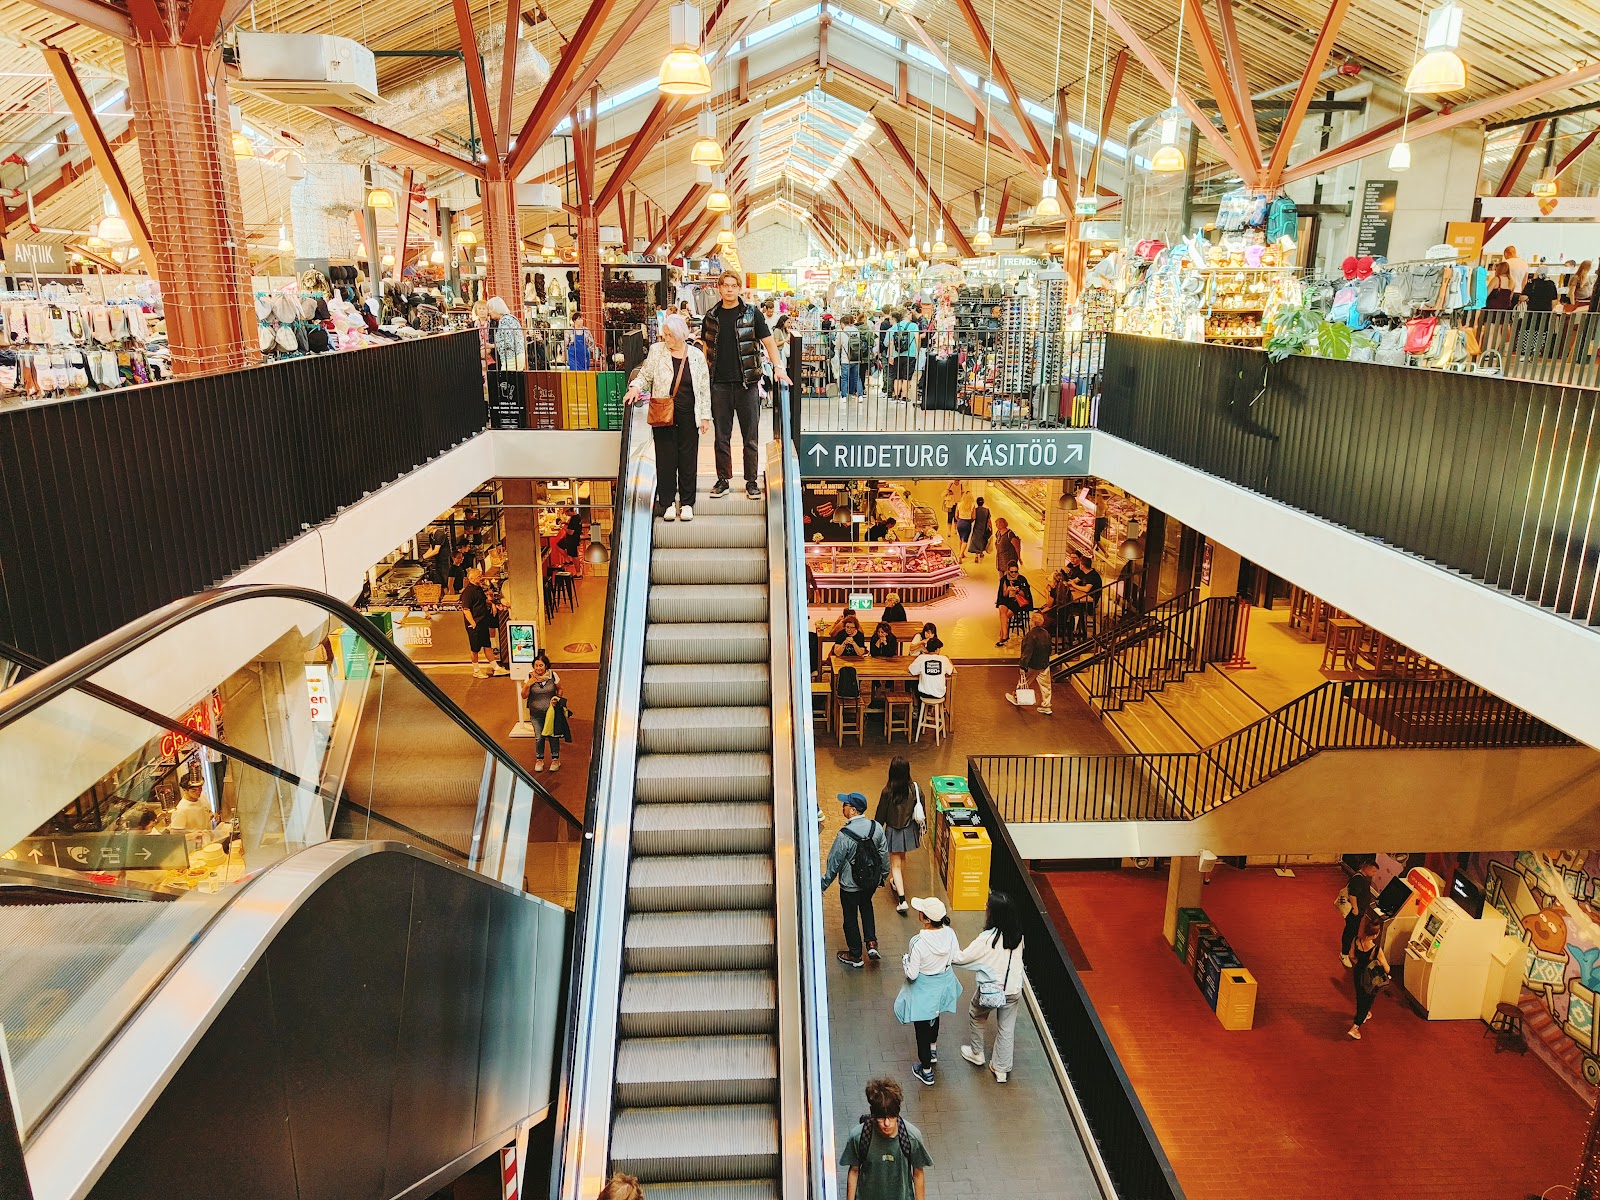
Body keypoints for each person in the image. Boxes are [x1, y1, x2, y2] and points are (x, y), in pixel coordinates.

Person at [702, 270, 790, 500]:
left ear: (739, 288)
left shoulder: (753, 314)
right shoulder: (711, 316)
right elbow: (706, 348)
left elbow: (769, 343)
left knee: (750, 436)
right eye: (726, 285)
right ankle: (723, 479)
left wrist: (779, 368)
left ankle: (751, 481)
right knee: (721, 436)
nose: (730, 289)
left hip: (747, 384)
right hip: (719, 384)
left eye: (734, 285)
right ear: (719, 288)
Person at [625, 313, 711, 521]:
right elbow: (645, 375)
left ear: (681, 335)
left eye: (670, 335)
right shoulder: (657, 351)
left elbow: (703, 388)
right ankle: (668, 503)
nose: (666, 338)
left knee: (688, 460)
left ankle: (687, 503)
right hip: (663, 413)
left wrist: (705, 416)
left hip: (689, 414)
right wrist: (635, 387)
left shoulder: (696, 356)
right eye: (665, 334)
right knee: (665, 459)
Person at [956, 890, 1027, 1083]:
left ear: (993, 914)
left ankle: (977, 1053)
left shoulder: (987, 938)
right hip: (1013, 989)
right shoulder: (1018, 936)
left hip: (991, 991)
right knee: (1006, 1028)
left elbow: (962, 958)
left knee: (976, 1014)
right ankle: (1001, 1069)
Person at [897, 896, 962, 1085]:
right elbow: (955, 957)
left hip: (923, 990)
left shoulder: (917, 942)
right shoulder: (950, 933)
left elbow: (912, 975)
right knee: (935, 1016)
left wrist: (905, 961)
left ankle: (926, 1071)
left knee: (921, 1030)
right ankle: (933, 1050)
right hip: (942, 986)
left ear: (926, 919)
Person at [821, 792, 890, 967]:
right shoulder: (876, 827)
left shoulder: (844, 835)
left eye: (845, 805)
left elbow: (834, 862)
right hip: (870, 882)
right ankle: (871, 943)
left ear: (853, 810)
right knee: (866, 907)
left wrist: (823, 884)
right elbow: (883, 854)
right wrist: (882, 876)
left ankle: (855, 955)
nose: (842, 807)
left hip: (850, 886)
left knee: (850, 918)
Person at [839, 1079, 932, 1200]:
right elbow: (854, 1171)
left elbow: (918, 1173)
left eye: (892, 1117)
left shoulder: (912, 1137)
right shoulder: (859, 1136)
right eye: (881, 1118)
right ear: (873, 1114)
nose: (887, 1123)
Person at [873, 757, 923, 914]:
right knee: (902, 858)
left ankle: (902, 900)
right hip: (909, 830)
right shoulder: (915, 788)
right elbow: (921, 809)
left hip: (893, 831)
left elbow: (880, 816)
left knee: (894, 865)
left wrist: (875, 832)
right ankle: (896, 882)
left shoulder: (887, 792)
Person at [1347, 914, 1390, 1040]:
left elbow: (1351, 956)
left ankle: (1364, 1014)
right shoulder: (1376, 950)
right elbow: (1387, 968)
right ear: (1376, 934)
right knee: (1367, 1000)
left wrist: (1359, 964)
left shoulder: (1356, 940)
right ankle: (1356, 1026)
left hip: (1358, 973)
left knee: (1360, 995)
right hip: (1370, 979)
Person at [521, 656, 564, 771]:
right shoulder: (529, 677)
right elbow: (524, 696)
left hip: (551, 713)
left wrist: (557, 698)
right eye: (536, 665)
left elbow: (560, 689)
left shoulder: (553, 675)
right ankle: (539, 759)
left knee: (553, 736)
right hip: (536, 714)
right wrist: (528, 684)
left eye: (541, 665)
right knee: (539, 737)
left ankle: (555, 759)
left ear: (546, 666)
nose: (538, 668)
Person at [459, 567, 504, 678]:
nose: (481, 578)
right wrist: (473, 623)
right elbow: (466, 609)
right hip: (475, 624)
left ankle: (496, 668)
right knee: (475, 649)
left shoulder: (478, 588)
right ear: (472, 578)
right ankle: (476, 670)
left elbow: (483, 601)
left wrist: (492, 603)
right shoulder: (468, 592)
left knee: (487, 645)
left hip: (483, 622)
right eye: (479, 576)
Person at [1007, 610, 1053, 715]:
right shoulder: (1046, 633)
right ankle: (1046, 706)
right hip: (1044, 663)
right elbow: (1049, 648)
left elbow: (1027, 652)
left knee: (1024, 682)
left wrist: (1022, 666)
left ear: (1033, 622)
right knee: (1046, 686)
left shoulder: (1030, 635)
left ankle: (1016, 697)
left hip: (1033, 664)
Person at [1339, 857, 1380, 965]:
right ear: (1367, 868)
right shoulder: (1358, 879)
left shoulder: (1361, 877)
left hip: (1358, 911)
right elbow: (1352, 895)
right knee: (1350, 931)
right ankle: (1344, 954)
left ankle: (1349, 951)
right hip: (1354, 912)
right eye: (1373, 871)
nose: (1374, 874)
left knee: (1353, 931)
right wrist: (1355, 909)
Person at [994, 563, 1034, 646]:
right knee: (1001, 608)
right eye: (1012, 572)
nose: (1014, 574)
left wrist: (1017, 590)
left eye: (1015, 572)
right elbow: (1003, 595)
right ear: (1008, 571)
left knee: (1004, 616)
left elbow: (1026, 595)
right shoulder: (1004, 579)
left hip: (1018, 601)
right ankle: (1004, 635)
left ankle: (1003, 637)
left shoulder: (1022, 579)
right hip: (1007, 600)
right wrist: (1008, 589)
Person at [486, 296, 525, 370]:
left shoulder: (504, 321)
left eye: (490, 309)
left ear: (496, 308)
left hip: (511, 358)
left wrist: (491, 346)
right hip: (518, 356)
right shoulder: (511, 318)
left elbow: (508, 343)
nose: (489, 312)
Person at [965, 496, 992, 562]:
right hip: (984, 528)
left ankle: (976, 555)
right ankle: (981, 552)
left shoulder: (975, 510)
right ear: (983, 502)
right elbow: (989, 521)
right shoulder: (987, 510)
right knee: (983, 540)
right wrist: (991, 529)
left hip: (977, 527)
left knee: (976, 540)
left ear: (977, 503)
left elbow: (972, 519)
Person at [954, 488, 976, 561]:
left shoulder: (959, 504)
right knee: (965, 540)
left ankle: (962, 553)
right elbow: (974, 517)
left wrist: (959, 520)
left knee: (960, 538)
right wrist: (970, 521)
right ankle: (961, 555)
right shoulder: (972, 504)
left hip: (960, 522)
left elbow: (956, 515)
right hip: (967, 523)